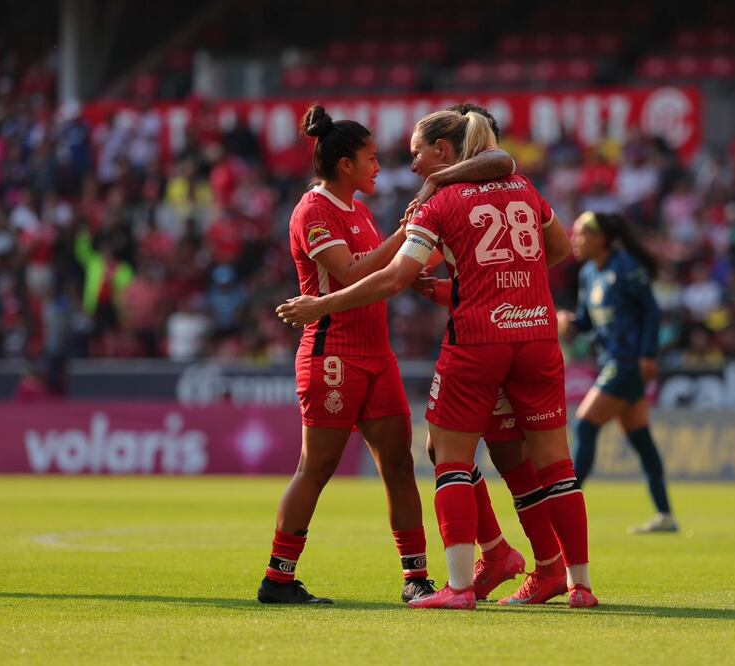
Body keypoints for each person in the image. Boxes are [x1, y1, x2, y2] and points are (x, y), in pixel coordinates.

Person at [277, 110, 597, 610]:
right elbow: (546, 249)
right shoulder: (520, 185)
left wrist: (430, 256)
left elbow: (392, 275)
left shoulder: (435, 201)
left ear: (444, 152)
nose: (401, 167)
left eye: (414, 155)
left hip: (470, 344)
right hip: (527, 334)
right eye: (376, 157)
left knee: (443, 456)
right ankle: (567, 579)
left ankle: (460, 581)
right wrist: (470, 280)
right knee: (541, 464)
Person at [410, 103, 568, 605]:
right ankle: (516, 555)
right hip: (512, 335)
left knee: (490, 456)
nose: (413, 165)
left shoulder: (467, 190)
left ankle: (535, 560)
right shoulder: (492, 191)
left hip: (489, 341)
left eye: (418, 155)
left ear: (448, 148)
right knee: (493, 454)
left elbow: (501, 162)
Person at [558, 211, 678, 534]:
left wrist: (649, 355)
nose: (575, 239)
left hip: (626, 362)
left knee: (584, 425)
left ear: (601, 238)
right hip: (610, 360)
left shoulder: (627, 268)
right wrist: (569, 322)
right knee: (640, 440)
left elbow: (651, 312)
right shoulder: (588, 275)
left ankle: (565, 509)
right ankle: (665, 516)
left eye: (582, 233)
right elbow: (586, 322)